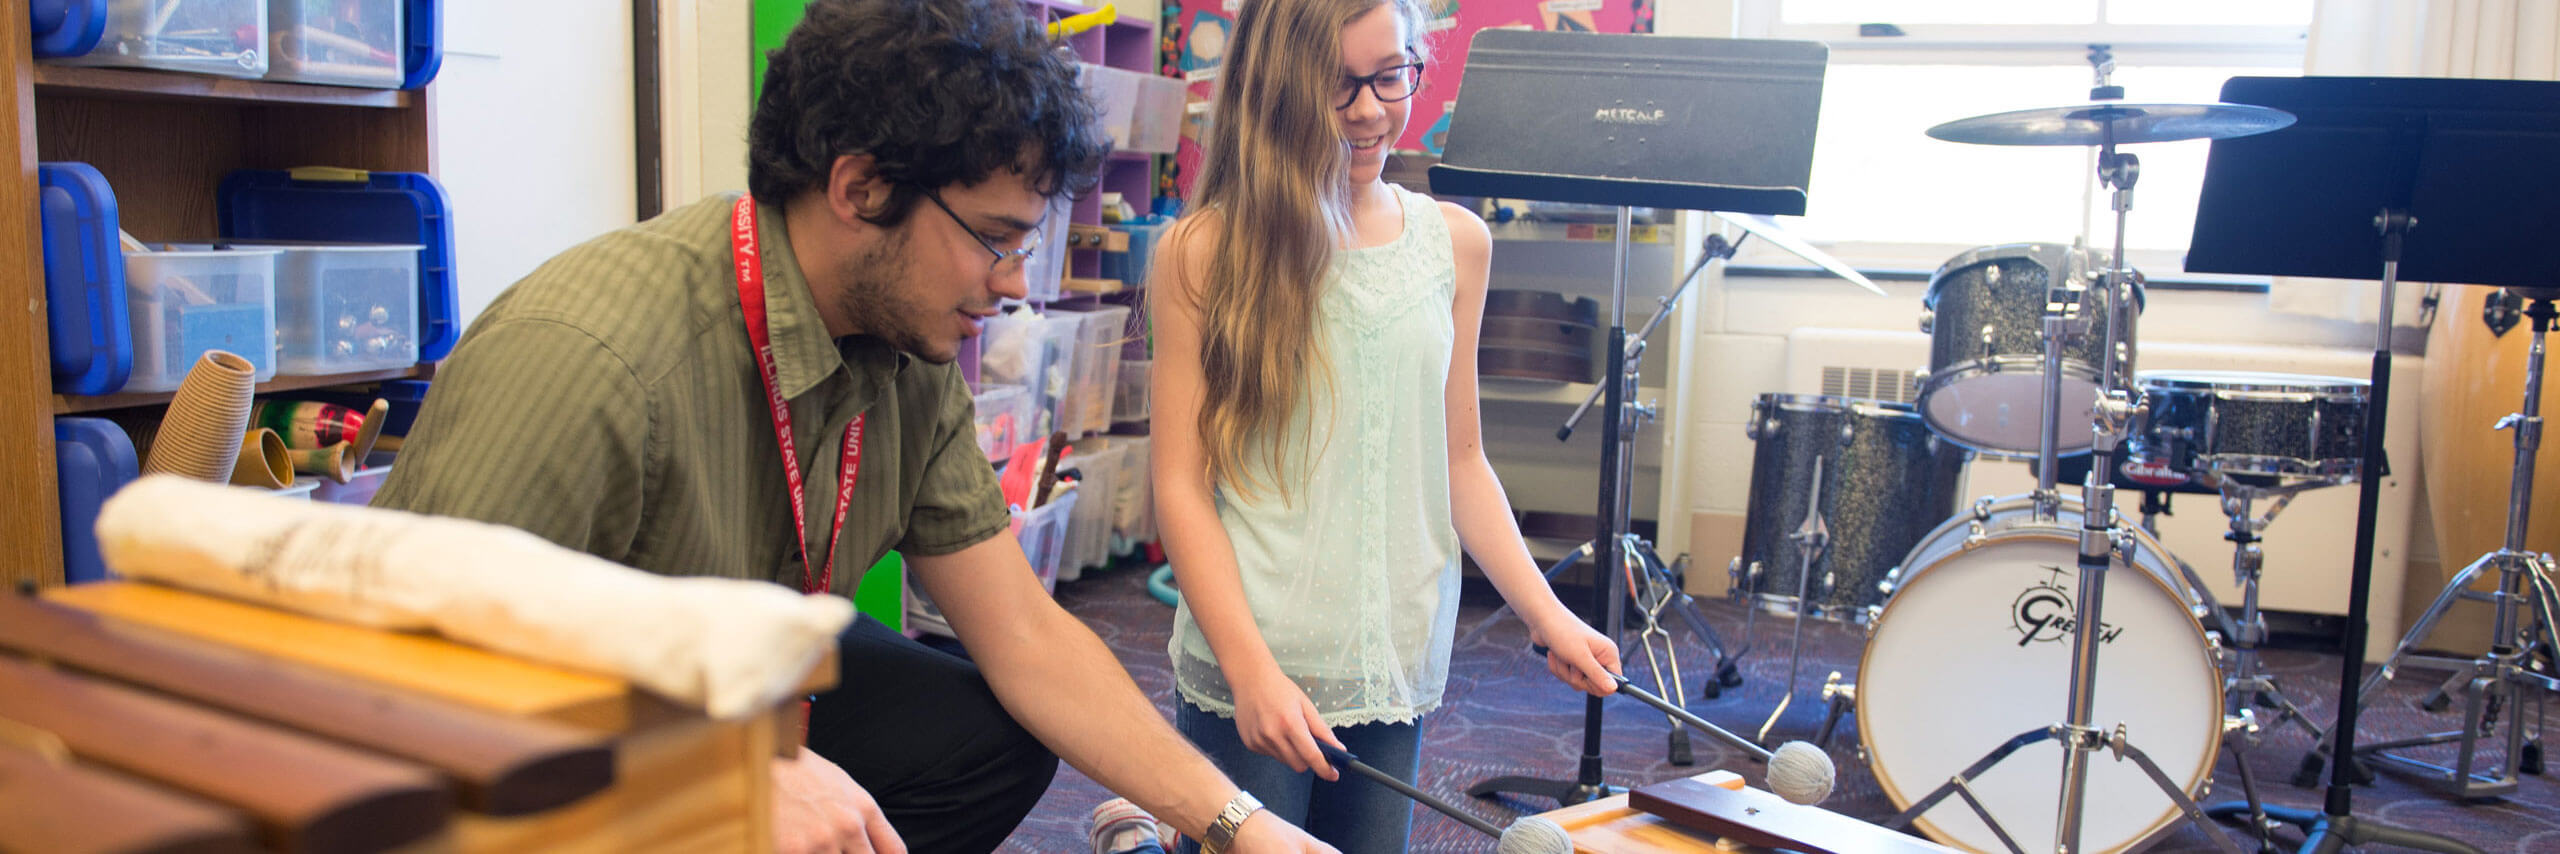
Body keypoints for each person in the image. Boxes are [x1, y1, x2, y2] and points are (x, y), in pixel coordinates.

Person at [372, 1, 1336, 851]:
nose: (1011, 285)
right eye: (995, 241)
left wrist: (1237, 822)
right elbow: (404, 689)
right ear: (860, 190)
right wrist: (715, 773)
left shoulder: (906, 348)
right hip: (507, 728)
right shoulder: (589, 359)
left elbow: (1026, 637)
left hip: (727, 670)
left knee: (988, 735)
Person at [1141, 0, 1624, 850]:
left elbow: (1461, 462)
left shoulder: (1455, 244)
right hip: (1256, 654)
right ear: (1275, 87)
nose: (1369, 109)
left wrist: (1550, 616)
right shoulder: (1203, 250)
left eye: (1391, 73)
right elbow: (1182, 484)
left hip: (1393, 656)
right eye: (1336, 84)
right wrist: (1252, 673)